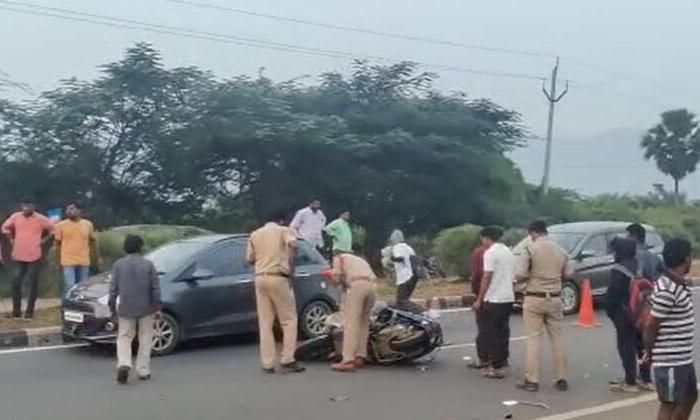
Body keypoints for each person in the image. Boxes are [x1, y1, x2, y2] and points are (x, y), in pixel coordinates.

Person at [247, 210, 305, 374]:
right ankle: (288, 358)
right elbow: (294, 245)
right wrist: (291, 270)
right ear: (281, 220)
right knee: (289, 320)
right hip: (278, 277)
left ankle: (267, 363)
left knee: (265, 322)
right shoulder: (283, 230)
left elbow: (250, 259)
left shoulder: (255, 234)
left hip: (260, 278)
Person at [515, 220, 570, 392]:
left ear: (533, 233)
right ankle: (562, 378)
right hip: (554, 298)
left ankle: (532, 380)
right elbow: (568, 273)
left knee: (534, 338)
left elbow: (520, 274)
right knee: (557, 338)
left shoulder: (529, 250)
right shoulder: (561, 251)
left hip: (534, 297)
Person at [645, 239, 697, 420]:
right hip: (669, 359)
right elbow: (651, 325)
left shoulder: (676, 283)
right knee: (669, 403)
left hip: (682, 358)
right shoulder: (667, 289)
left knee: (690, 397)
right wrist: (649, 353)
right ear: (686, 260)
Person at [108, 235, 161, 385]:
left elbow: (113, 290)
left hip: (126, 307)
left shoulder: (118, 265)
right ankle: (143, 370)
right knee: (145, 338)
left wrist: (112, 308)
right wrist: (157, 307)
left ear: (125, 248)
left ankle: (124, 363)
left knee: (124, 337)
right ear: (141, 247)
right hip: (146, 307)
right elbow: (155, 288)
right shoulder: (148, 264)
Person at [605, 237, 652, 393]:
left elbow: (613, 295)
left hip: (623, 313)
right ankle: (646, 379)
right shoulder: (641, 266)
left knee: (626, 346)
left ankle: (630, 381)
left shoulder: (618, 270)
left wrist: (610, 311)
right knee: (641, 345)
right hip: (640, 312)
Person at [472, 226, 515, 379]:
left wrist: (479, 299)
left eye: (482, 238)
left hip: (494, 298)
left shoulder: (490, 253)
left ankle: (495, 366)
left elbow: (486, 277)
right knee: (503, 330)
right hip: (508, 296)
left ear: (486, 237)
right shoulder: (507, 251)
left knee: (489, 332)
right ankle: (503, 360)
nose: (481, 241)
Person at [1, 201, 53, 319]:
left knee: (32, 284)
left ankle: (29, 311)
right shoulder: (16, 216)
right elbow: (5, 228)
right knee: (16, 282)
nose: (27, 208)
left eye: (29, 206)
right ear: (22, 206)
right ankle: (16, 311)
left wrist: (44, 240)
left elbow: (53, 229)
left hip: (34, 255)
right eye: (25, 206)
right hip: (19, 254)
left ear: (33, 207)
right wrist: (11, 239)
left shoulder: (40, 218)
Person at [329, 252, 378, 372]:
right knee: (364, 321)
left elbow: (336, 277)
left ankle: (347, 359)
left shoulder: (338, 258)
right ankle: (360, 355)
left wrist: (330, 275)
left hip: (357, 285)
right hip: (373, 286)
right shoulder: (358, 260)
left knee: (351, 322)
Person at [54, 203, 101, 297]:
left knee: (82, 286)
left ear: (79, 211)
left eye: (72, 209)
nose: (69, 211)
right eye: (68, 209)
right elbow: (57, 244)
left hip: (83, 260)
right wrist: (58, 259)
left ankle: (81, 307)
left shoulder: (87, 224)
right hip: (68, 260)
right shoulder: (60, 225)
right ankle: (68, 307)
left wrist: (98, 257)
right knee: (70, 285)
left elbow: (92, 242)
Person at [467, 242, 489, 369]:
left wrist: (476, 296)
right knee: (499, 330)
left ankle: (483, 359)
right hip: (501, 296)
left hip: (484, 294)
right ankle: (501, 359)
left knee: (483, 329)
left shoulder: (478, 253)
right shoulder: (504, 251)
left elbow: (476, 276)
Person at [388, 230, 418, 310]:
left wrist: (392, 258)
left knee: (401, 300)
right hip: (413, 276)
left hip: (405, 277)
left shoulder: (397, 247)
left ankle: (418, 310)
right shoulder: (409, 247)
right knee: (404, 300)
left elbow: (400, 258)